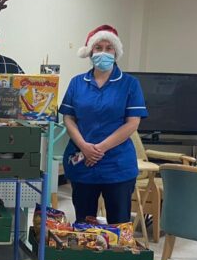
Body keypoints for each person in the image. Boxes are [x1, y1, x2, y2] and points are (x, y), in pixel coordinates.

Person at [60, 25, 147, 223]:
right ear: (90, 51)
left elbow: (132, 123)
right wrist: (84, 146)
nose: (103, 53)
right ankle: (86, 256)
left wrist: (99, 149)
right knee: (84, 223)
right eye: (98, 47)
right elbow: (68, 118)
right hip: (82, 162)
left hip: (117, 165)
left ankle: (118, 256)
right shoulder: (77, 83)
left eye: (109, 48)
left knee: (119, 226)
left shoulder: (130, 84)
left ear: (116, 52)